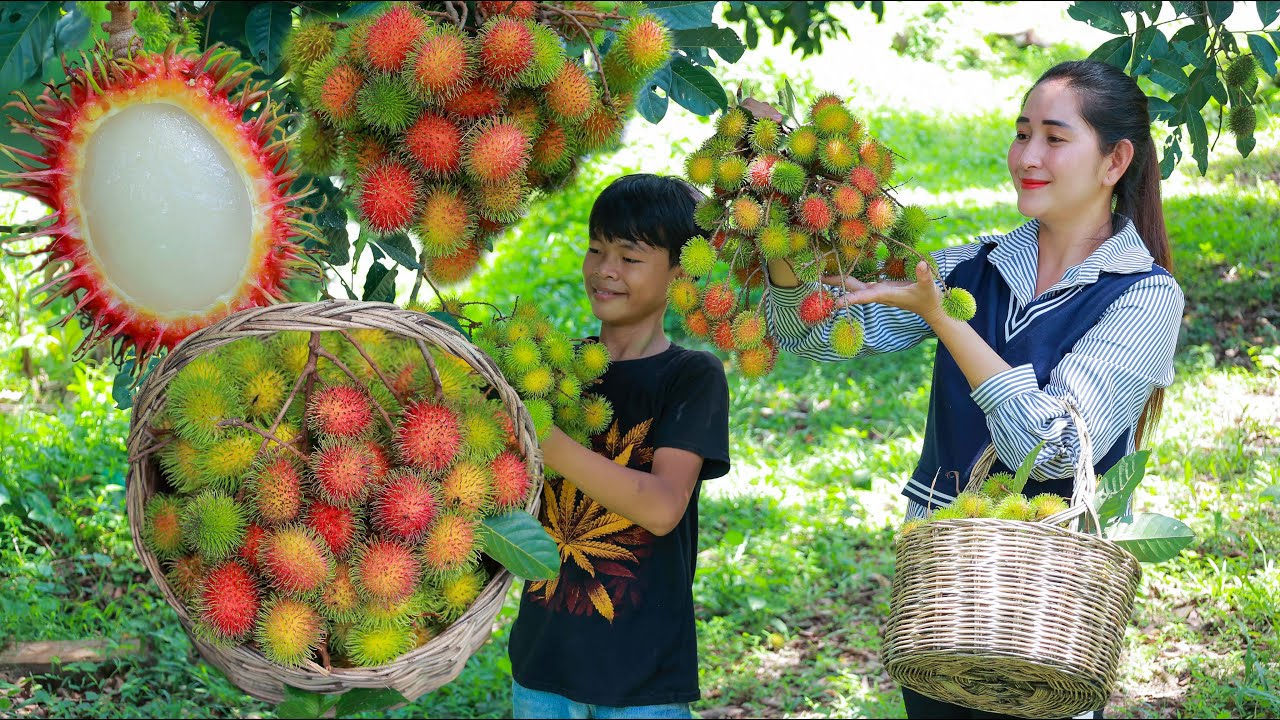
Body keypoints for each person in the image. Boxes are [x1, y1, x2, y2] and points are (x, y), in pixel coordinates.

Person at [763, 60, 1184, 719]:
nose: (1028, 156)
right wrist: (777, 215)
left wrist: (945, 320)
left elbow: (1052, 447)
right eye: (1022, 134)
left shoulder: (1145, 296)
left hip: (1048, 605)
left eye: (1054, 137)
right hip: (943, 594)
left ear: (1115, 160)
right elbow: (812, 334)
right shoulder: (973, 266)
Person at [506, 173, 732, 719]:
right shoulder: (552, 372)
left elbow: (662, 507)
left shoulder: (691, 377)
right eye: (596, 249)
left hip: (643, 681)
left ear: (679, 274)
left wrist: (546, 440)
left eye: (630, 257)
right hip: (541, 668)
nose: (605, 269)